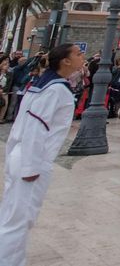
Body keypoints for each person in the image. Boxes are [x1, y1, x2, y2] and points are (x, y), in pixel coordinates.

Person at [0, 43, 86, 266]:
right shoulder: (55, 89)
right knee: (19, 220)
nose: (82, 56)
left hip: (23, 154)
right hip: (32, 158)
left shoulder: (43, 83)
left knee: (15, 216)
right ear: (65, 61)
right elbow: (36, 129)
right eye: (78, 54)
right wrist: (30, 166)